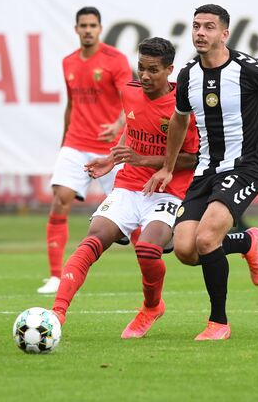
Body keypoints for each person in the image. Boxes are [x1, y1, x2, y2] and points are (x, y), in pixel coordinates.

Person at [145, 4, 258, 341]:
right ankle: (247, 241)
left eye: (209, 27)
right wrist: (168, 168)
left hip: (244, 169)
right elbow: (179, 119)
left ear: (224, 34)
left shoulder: (245, 68)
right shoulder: (187, 75)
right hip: (205, 172)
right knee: (185, 250)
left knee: (206, 238)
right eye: (196, 26)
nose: (200, 33)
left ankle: (219, 323)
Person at [50, 37, 199, 338]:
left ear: (169, 70)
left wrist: (143, 159)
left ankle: (151, 306)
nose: (144, 76)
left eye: (153, 70)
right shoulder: (131, 93)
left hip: (168, 191)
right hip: (129, 185)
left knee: (146, 249)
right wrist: (111, 159)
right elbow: (131, 131)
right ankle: (56, 315)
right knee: (93, 240)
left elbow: (191, 159)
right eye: (141, 68)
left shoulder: (182, 108)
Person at [39, 7, 133, 294]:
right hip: (76, 142)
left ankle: (147, 272)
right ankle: (55, 276)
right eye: (84, 25)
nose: (88, 30)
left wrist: (118, 125)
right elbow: (71, 104)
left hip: (111, 149)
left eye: (93, 25)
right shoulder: (68, 62)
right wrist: (64, 139)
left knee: (131, 210)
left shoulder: (115, 60)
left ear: (100, 28)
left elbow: (130, 97)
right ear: (76, 29)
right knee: (60, 198)